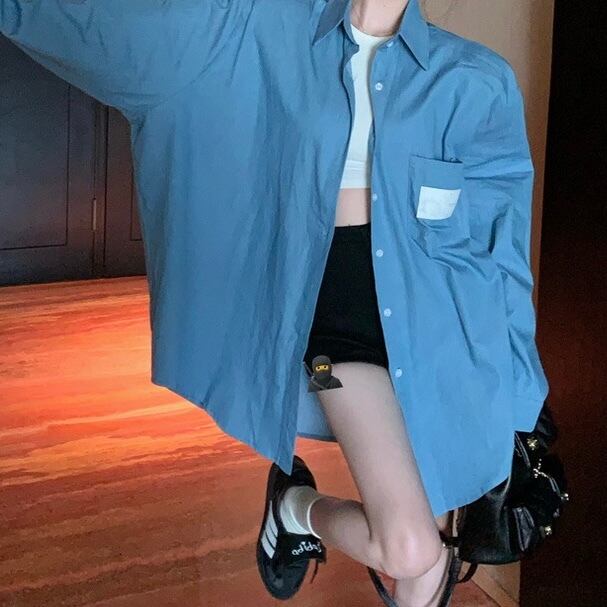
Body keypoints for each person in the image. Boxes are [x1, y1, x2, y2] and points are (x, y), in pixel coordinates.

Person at [1, 1, 550, 606]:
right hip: (335, 338)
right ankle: (294, 507)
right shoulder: (254, 29)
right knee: (411, 549)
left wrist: (522, 397)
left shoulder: (474, 78)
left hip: (439, 335)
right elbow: (119, 41)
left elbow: (501, 251)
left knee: (429, 573)